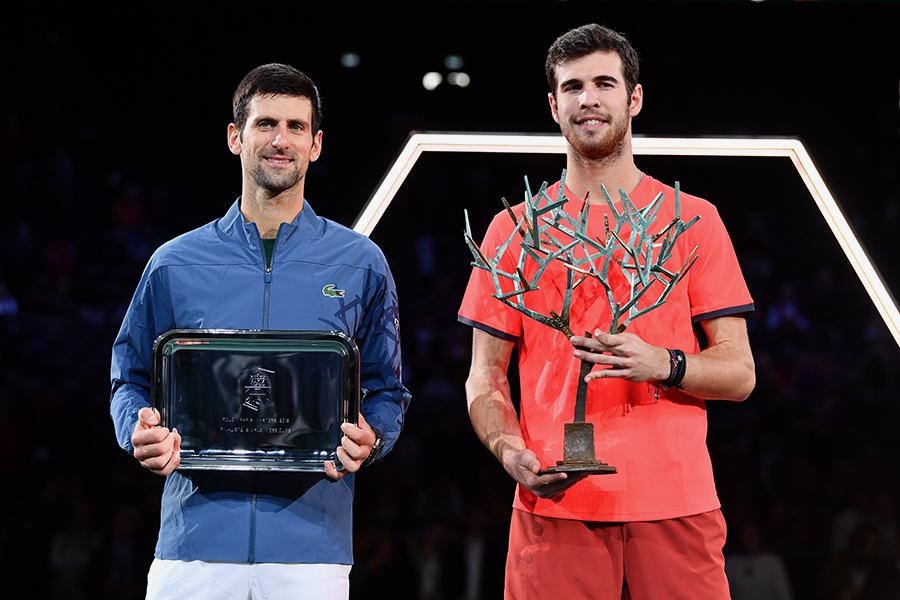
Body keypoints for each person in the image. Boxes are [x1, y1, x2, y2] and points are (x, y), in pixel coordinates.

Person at [459, 24, 755, 599]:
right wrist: (508, 451)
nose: (588, 99)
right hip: (554, 505)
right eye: (572, 87)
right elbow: (484, 376)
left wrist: (665, 364)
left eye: (604, 83)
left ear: (634, 98)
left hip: (677, 505)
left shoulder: (695, 220)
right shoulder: (511, 230)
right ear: (553, 105)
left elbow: (740, 373)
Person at [110, 63, 411, 600]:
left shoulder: (361, 263)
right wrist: (137, 427)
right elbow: (129, 377)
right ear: (235, 137)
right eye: (266, 123)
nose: (281, 140)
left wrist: (374, 438)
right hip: (192, 548)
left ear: (316, 144)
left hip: (312, 553)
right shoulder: (174, 263)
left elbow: (388, 392)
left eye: (297, 127)